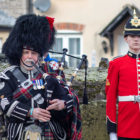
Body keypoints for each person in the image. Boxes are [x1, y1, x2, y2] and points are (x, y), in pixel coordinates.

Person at [0, 14, 82, 140]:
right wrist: (31, 112)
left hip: (50, 133)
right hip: (20, 133)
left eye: (33, 53)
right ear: (18, 53)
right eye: (26, 52)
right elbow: (5, 103)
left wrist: (63, 103)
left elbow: (69, 96)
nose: (29, 57)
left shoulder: (52, 72)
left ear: (39, 55)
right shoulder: (8, 75)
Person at [105, 10, 140, 140]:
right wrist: (112, 131)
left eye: (139, 36)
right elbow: (111, 99)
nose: (136, 39)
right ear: (126, 38)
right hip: (126, 128)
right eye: (132, 36)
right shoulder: (116, 64)